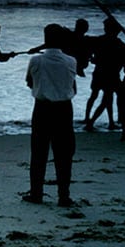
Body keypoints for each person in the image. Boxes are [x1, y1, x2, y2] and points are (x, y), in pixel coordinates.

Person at [23, 24, 77, 206]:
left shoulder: (36, 60)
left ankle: (36, 193)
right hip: (64, 109)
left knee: (39, 153)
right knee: (64, 154)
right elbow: (73, 87)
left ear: (45, 39)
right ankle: (64, 195)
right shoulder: (71, 61)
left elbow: (30, 82)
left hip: (42, 108)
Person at [84, 18, 125, 132]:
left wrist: (92, 58)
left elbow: (87, 45)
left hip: (100, 73)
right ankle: (92, 122)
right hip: (111, 75)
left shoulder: (99, 40)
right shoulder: (120, 45)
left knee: (106, 98)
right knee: (108, 99)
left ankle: (109, 122)